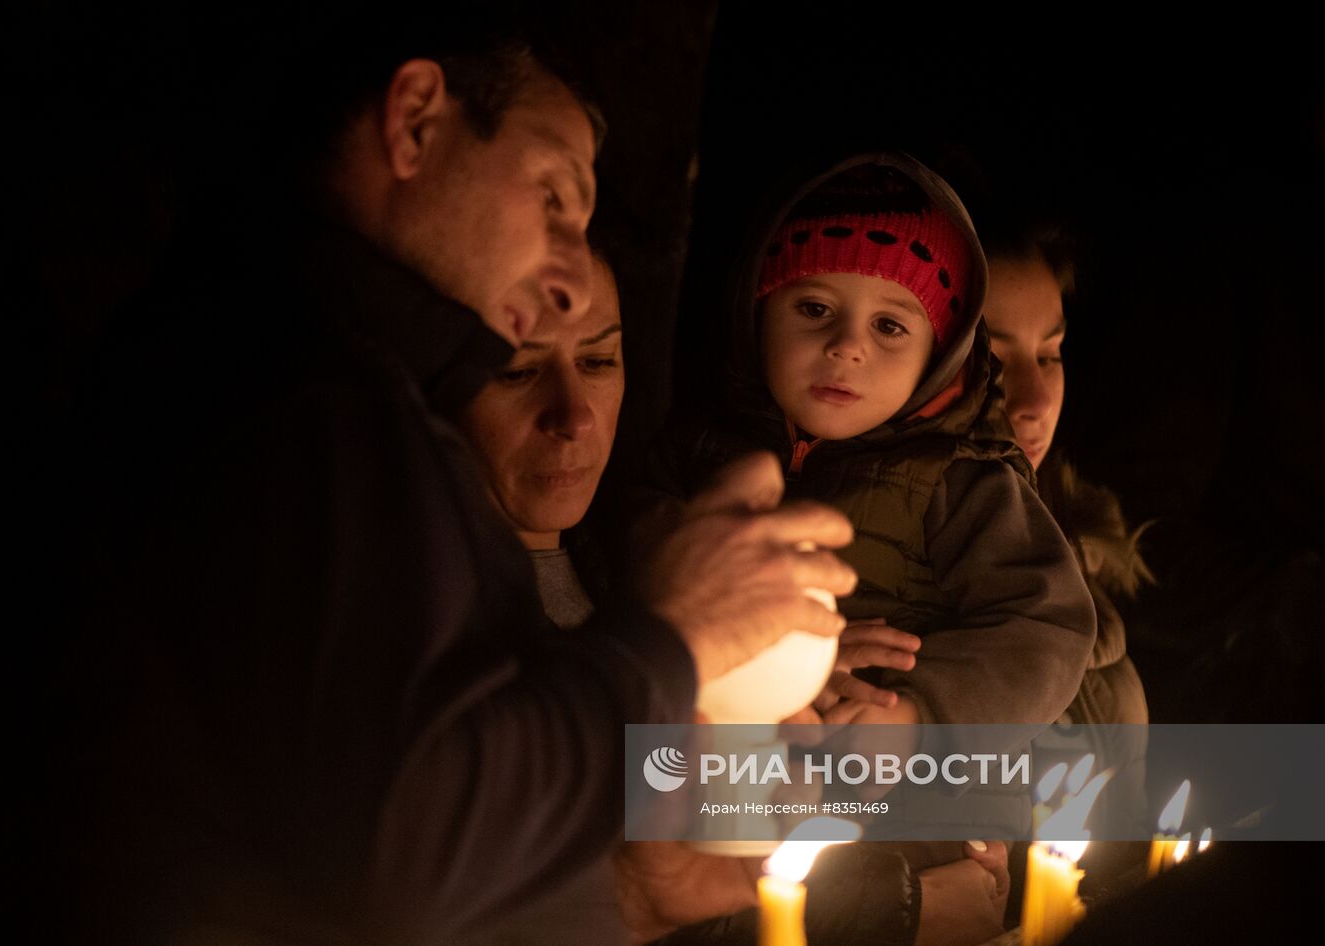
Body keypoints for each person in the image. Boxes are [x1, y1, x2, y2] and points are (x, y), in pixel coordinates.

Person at [60, 19, 860, 946]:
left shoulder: (304, 381)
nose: (567, 280)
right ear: (413, 121)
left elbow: (375, 851)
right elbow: (412, 851)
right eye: (555, 199)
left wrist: (629, 899)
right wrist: (677, 635)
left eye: (601, 359)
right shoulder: (300, 394)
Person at [462, 251, 1012, 946]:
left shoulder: (616, 568)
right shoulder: (432, 627)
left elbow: (677, 867)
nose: (574, 416)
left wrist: (776, 669)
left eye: (600, 362)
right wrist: (897, 906)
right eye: (518, 371)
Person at [981, 222, 1152, 882]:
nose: (1033, 403)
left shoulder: (1080, 551)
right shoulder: (891, 594)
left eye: (1049, 355)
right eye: (993, 360)